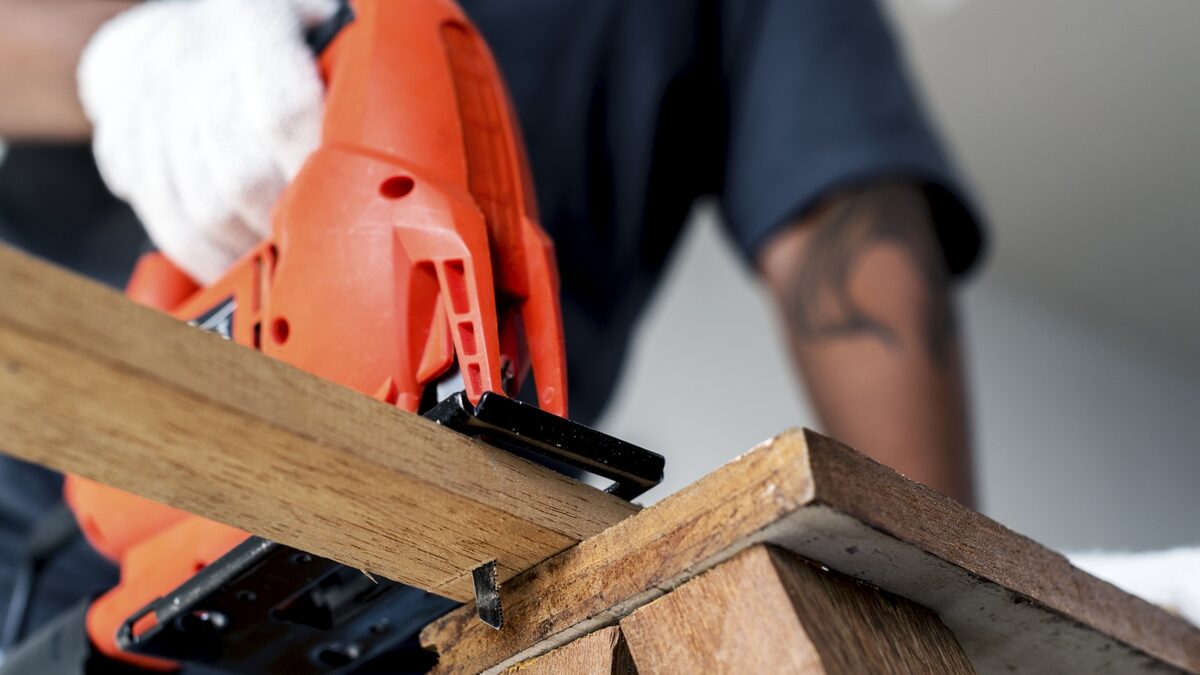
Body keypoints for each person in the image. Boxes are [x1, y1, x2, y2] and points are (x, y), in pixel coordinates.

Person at [0, 0, 984, 666]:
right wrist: (122, 51)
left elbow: (857, 245)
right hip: (39, 481)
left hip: (423, 560)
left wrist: (937, 592)